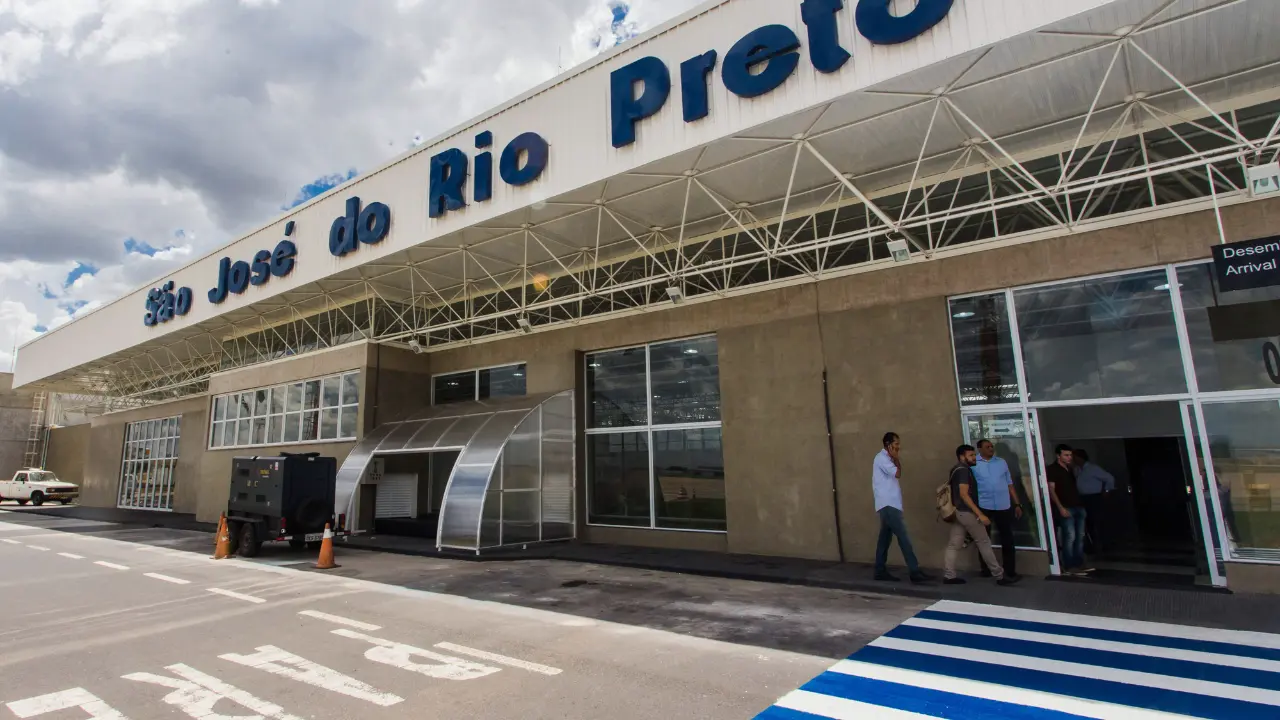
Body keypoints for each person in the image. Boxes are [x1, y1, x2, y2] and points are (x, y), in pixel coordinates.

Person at [945, 444, 1017, 586]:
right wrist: (980, 514)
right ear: (962, 457)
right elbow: (964, 494)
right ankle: (999, 575)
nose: (974, 457)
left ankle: (949, 575)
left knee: (954, 544)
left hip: (958, 512)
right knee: (984, 542)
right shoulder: (964, 471)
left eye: (974, 454)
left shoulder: (956, 469)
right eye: (971, 455)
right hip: (967, 513)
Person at [872, 432, 930, 583]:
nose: (898, 447)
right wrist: (896, 458)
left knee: (884, 540)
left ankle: (879, 570)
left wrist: (895, 458)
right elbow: (897, 473)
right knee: (903, 538)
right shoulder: (882, 458)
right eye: (896, 444)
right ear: (888, 444)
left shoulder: (887, 458)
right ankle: (914, 571)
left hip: (889, 504)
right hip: (889, 504)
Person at [973, 438, 1024, 580]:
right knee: (984, 539)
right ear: (980, 449)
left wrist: (1017, 504)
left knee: (1007, 538)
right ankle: (986, 569)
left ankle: (1010, 570)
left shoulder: (1001, 462)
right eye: (987, 447)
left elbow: (1009, 484)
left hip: (1003, 505)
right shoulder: (974, 464)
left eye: (992, 446)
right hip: (984, 505)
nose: (991, 449)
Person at [1046, 444, 1091, 575]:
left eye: (1070, 455)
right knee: (1069, 536)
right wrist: (1060, 507)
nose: (1069, 457)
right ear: (1058, 455)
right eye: (1066, 455)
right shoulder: (1053, 469)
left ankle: (1079, 563)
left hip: (1077, 505)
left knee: (1080, 536)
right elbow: (1051, 490)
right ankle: (1069, 565)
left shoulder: (1070, 469)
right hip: (1066, 507)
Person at [1073, 448, 1114, 555]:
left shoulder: (1092, 468)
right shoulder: (1077, 470)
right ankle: (1093, 545)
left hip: (1094, 498)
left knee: (1099, 521)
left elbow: (1109, 478)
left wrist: (1107, 490)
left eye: (1075, 457)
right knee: (1088, 522)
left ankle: (1105, 545)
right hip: (1083, 498)